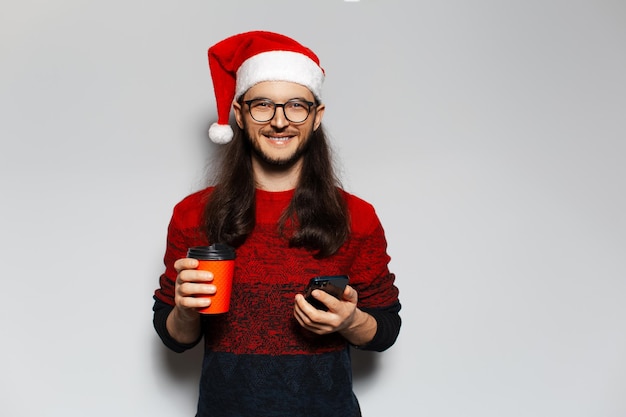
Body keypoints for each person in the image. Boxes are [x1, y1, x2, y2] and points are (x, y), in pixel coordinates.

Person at [152, 30, 401, 417]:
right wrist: (184, 310)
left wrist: (351, 321)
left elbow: (386, 328)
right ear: (239, 113)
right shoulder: (193, 214)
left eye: (296, 106)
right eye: (263, 105)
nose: (280, 122)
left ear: (316, 117)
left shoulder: (357, 216)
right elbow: (175, 339)